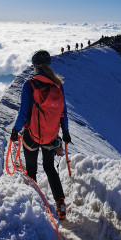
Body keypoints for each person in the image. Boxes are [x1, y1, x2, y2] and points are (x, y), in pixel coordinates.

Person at [11, 50, 71, 220]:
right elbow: (63, 113)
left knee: (31, 171)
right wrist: (65, 132)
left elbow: (23, 113)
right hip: (51, 136)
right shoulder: (58, 85)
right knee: (50, 167)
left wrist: (15, 131)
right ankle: (60, 204)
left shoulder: (29, 85)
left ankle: (34, 208)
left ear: (35, 67)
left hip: (31, 135)